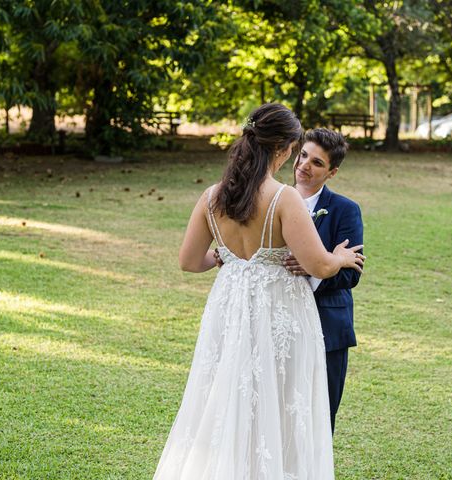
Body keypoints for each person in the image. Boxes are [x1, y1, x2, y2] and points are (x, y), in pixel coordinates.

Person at [152, 103, 364, 480]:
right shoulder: (284, 198)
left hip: (230, 312)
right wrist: (341, 257)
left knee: (227, 400)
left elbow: (188, 261)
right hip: (280, 315)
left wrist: (223, 257)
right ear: (283, 149)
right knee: (280, 406)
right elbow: (318, 265)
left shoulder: (213, 196)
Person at [282, 128, 363, 433]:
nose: (304, 165)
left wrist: (315, 267)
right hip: (279, 319)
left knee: (319, 415)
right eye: (303, 155)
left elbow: (350, 271)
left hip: (327, 325)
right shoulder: (273, 200)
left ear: (332, 172)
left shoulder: (345, 210)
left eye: (317, 162)